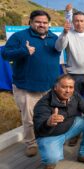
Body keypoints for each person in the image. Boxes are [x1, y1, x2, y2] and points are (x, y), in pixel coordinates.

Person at [1, 10, 61, 157]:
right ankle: (31, 143)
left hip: (49, 88)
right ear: (30, 22)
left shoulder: (54, 38)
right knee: (29, 119)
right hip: (26, 87)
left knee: (50, 116)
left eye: (45, 22)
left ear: (49, 24)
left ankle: (47, 140)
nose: (42, 25)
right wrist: (23, 51)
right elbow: (5, 54)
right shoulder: (20, 37)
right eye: (38, 22)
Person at [33, 75, 84, 169]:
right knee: (52, 159)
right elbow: (39, 128)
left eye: (71, 87)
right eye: (64, 87)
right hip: (50, 134)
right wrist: (48, 123)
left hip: (69, 126)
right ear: (55, 87)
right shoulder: (43, 104)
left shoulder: (75, 95)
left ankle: (83, 154)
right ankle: (48, 163)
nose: (68, 91)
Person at [55, 11, 84, 110]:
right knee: (73, 103)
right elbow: (58, 47)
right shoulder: (67, 35)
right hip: (73, 76)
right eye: (76, 21)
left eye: (81, 21)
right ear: (73, 22)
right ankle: (76, 124)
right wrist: (64, 33)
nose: (79, 23)